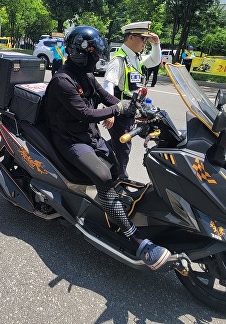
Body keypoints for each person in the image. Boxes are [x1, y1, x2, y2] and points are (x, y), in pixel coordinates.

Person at [44, 25, 171, 270]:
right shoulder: (63, 80)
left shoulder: (86, 75)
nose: (98, 59)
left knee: (115, 167)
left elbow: (106, 96)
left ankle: (111, 207)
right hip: (70, 139)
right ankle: (133, 238)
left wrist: (137, 109)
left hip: (87, 135)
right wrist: (118, 109)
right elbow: (85, 112)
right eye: (95, 55)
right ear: (82, 54)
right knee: (103, 176)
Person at [102, 21, 161, 181]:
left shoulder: (136, 58)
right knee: (123, 148)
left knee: (118, 143)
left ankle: (98, 154)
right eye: (143, 38)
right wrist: (111, 112)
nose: (145, 42)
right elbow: (108, 85)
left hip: (131, 111)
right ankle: (120, 180)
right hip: (119, 112)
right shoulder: (119, 60)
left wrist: (156, 44)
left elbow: (155, 61)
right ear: (130, 37)